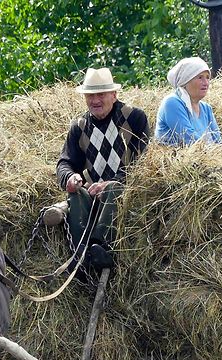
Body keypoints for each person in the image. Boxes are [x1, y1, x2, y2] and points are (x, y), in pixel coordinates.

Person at [56, 67, 149, 270]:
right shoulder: (79, 126)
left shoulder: (134, 118)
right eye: (90, 95)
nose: (95, 100)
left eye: (101, 94)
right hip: (91, 194)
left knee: (113, 189)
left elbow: (141, 163)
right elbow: (65, 162)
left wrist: (110, 183)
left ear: (114, 95)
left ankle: (101, 247)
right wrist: (70, 178)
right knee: (76, 194)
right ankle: (80, 252)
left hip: (125, 193)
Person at [155, 57, 222, 146]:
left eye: (207, 77)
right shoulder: (172, 103)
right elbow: (189, 140)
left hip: (207, 158)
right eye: (200, 77)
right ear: (185, 80)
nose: (206, 83)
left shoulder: (206, 109)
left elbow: (219, 142)